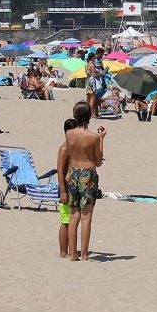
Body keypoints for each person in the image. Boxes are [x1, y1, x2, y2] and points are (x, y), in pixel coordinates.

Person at [57, 102, 105, 262]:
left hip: (73, 174)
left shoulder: (69, 134)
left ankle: (73, 254)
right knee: (86, 217)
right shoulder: (93, 137)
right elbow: (98, 160)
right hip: (88, 174)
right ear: (89, 115)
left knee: (73, 215)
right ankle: (84, 254)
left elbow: (70, 152)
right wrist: (102, 139)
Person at [54, 117, 77, 257]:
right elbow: (60, 170)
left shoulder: (75, 147)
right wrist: (62, 190)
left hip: (74, 186)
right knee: (66, 221)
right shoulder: (64, 148)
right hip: (65, 188)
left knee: (72, 219)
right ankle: (63, 251)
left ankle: (70, 249)